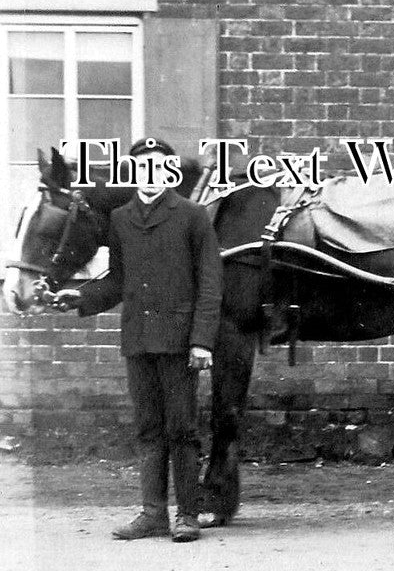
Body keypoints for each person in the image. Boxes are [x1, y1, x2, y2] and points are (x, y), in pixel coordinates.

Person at [48, 138, 222, 540]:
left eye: (157, 165)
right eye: (141, 166)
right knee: (147, 428)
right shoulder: (122, 219)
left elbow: (210, 285)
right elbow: (119, 280)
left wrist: (202, 342)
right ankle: (152, 514)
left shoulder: (192, 216)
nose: (149, 172)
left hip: (179, 342)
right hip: (138, 340)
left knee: (182, 429)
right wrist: (82, 296)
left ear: (169, 171)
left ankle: (187, 516)